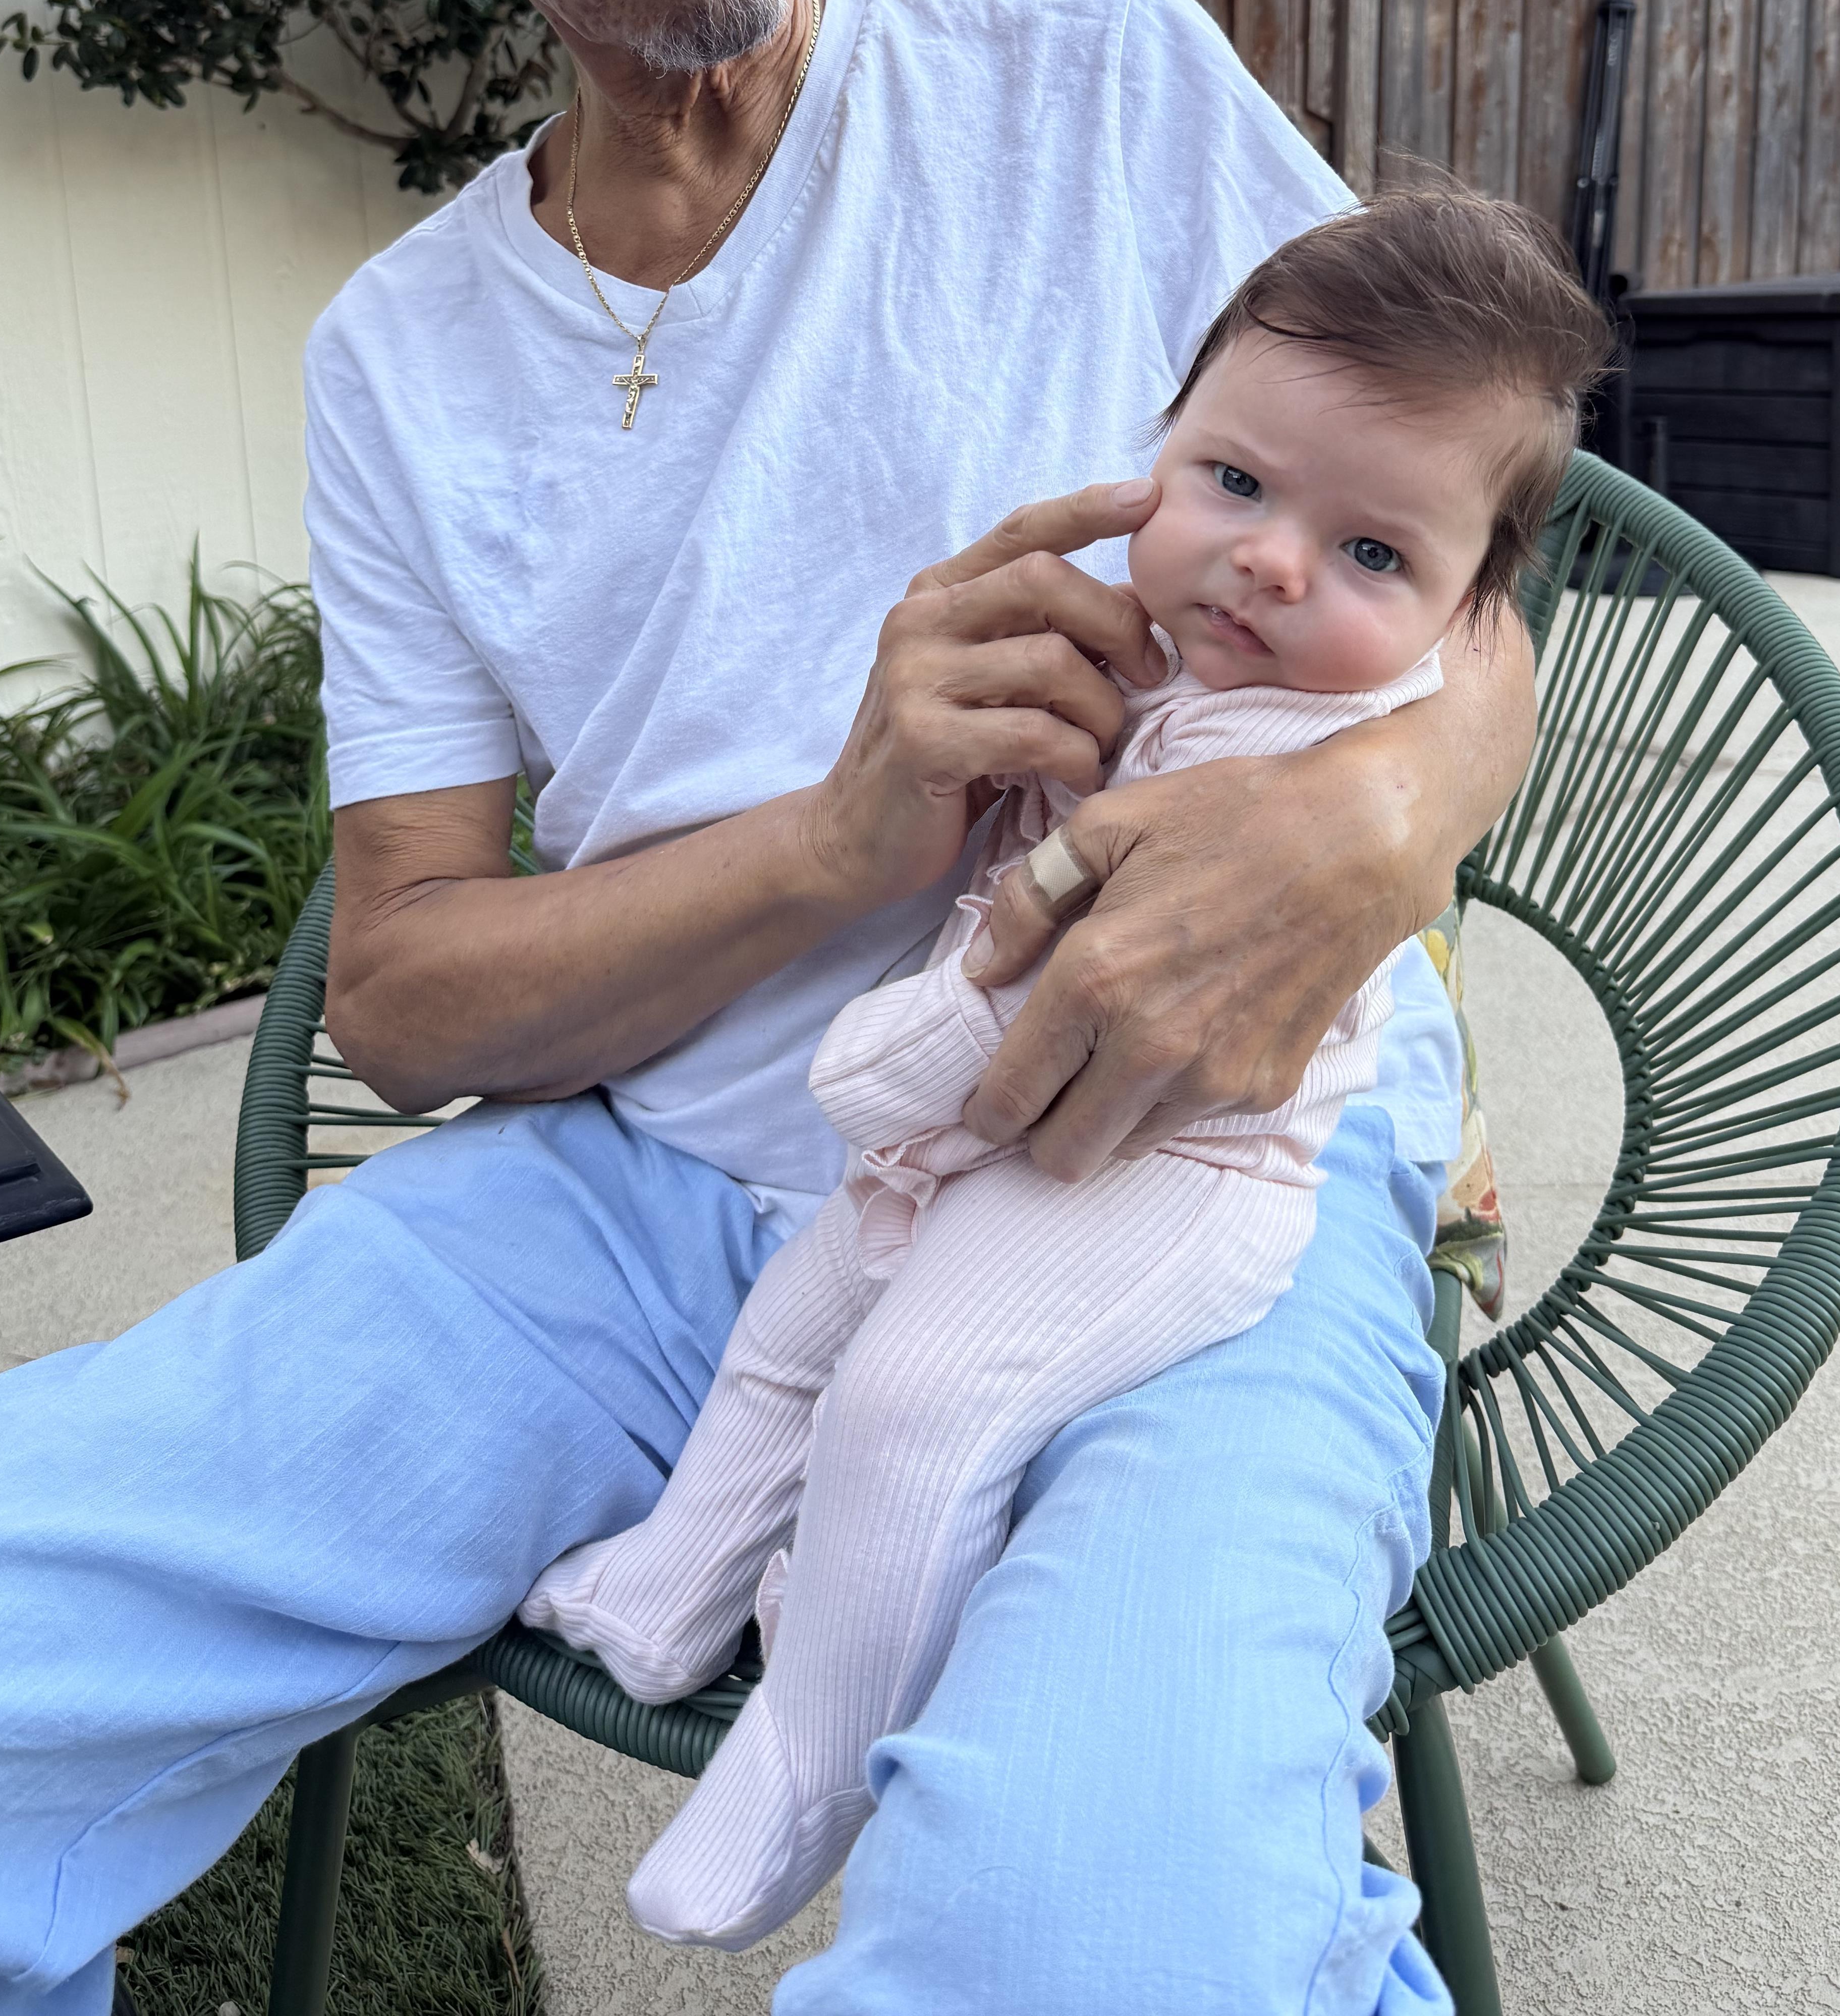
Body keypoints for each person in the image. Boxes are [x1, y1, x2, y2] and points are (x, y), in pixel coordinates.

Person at [0, 0, 1534, 2016]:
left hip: (1161, 1146)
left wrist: (1370, 829)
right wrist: (837, 839)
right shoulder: (407, 359)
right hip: (626, 1208)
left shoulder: (1098, 87)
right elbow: (412, 997)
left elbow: (1495, 555)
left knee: (1089, 1951)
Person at [524, 195, 1611, 1953]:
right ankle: (670, 1586)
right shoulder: (1145, 664)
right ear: (1155, 452)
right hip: (1004, 1145)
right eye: (1233, 484)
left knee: (910, 1407)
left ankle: (810, 1765)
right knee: (796, 1329)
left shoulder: (1299, 750)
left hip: (1172, 1169)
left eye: (1371, 555)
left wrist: (893, 1071)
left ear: (1461, 614)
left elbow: (1038, 975)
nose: (1271, 565)